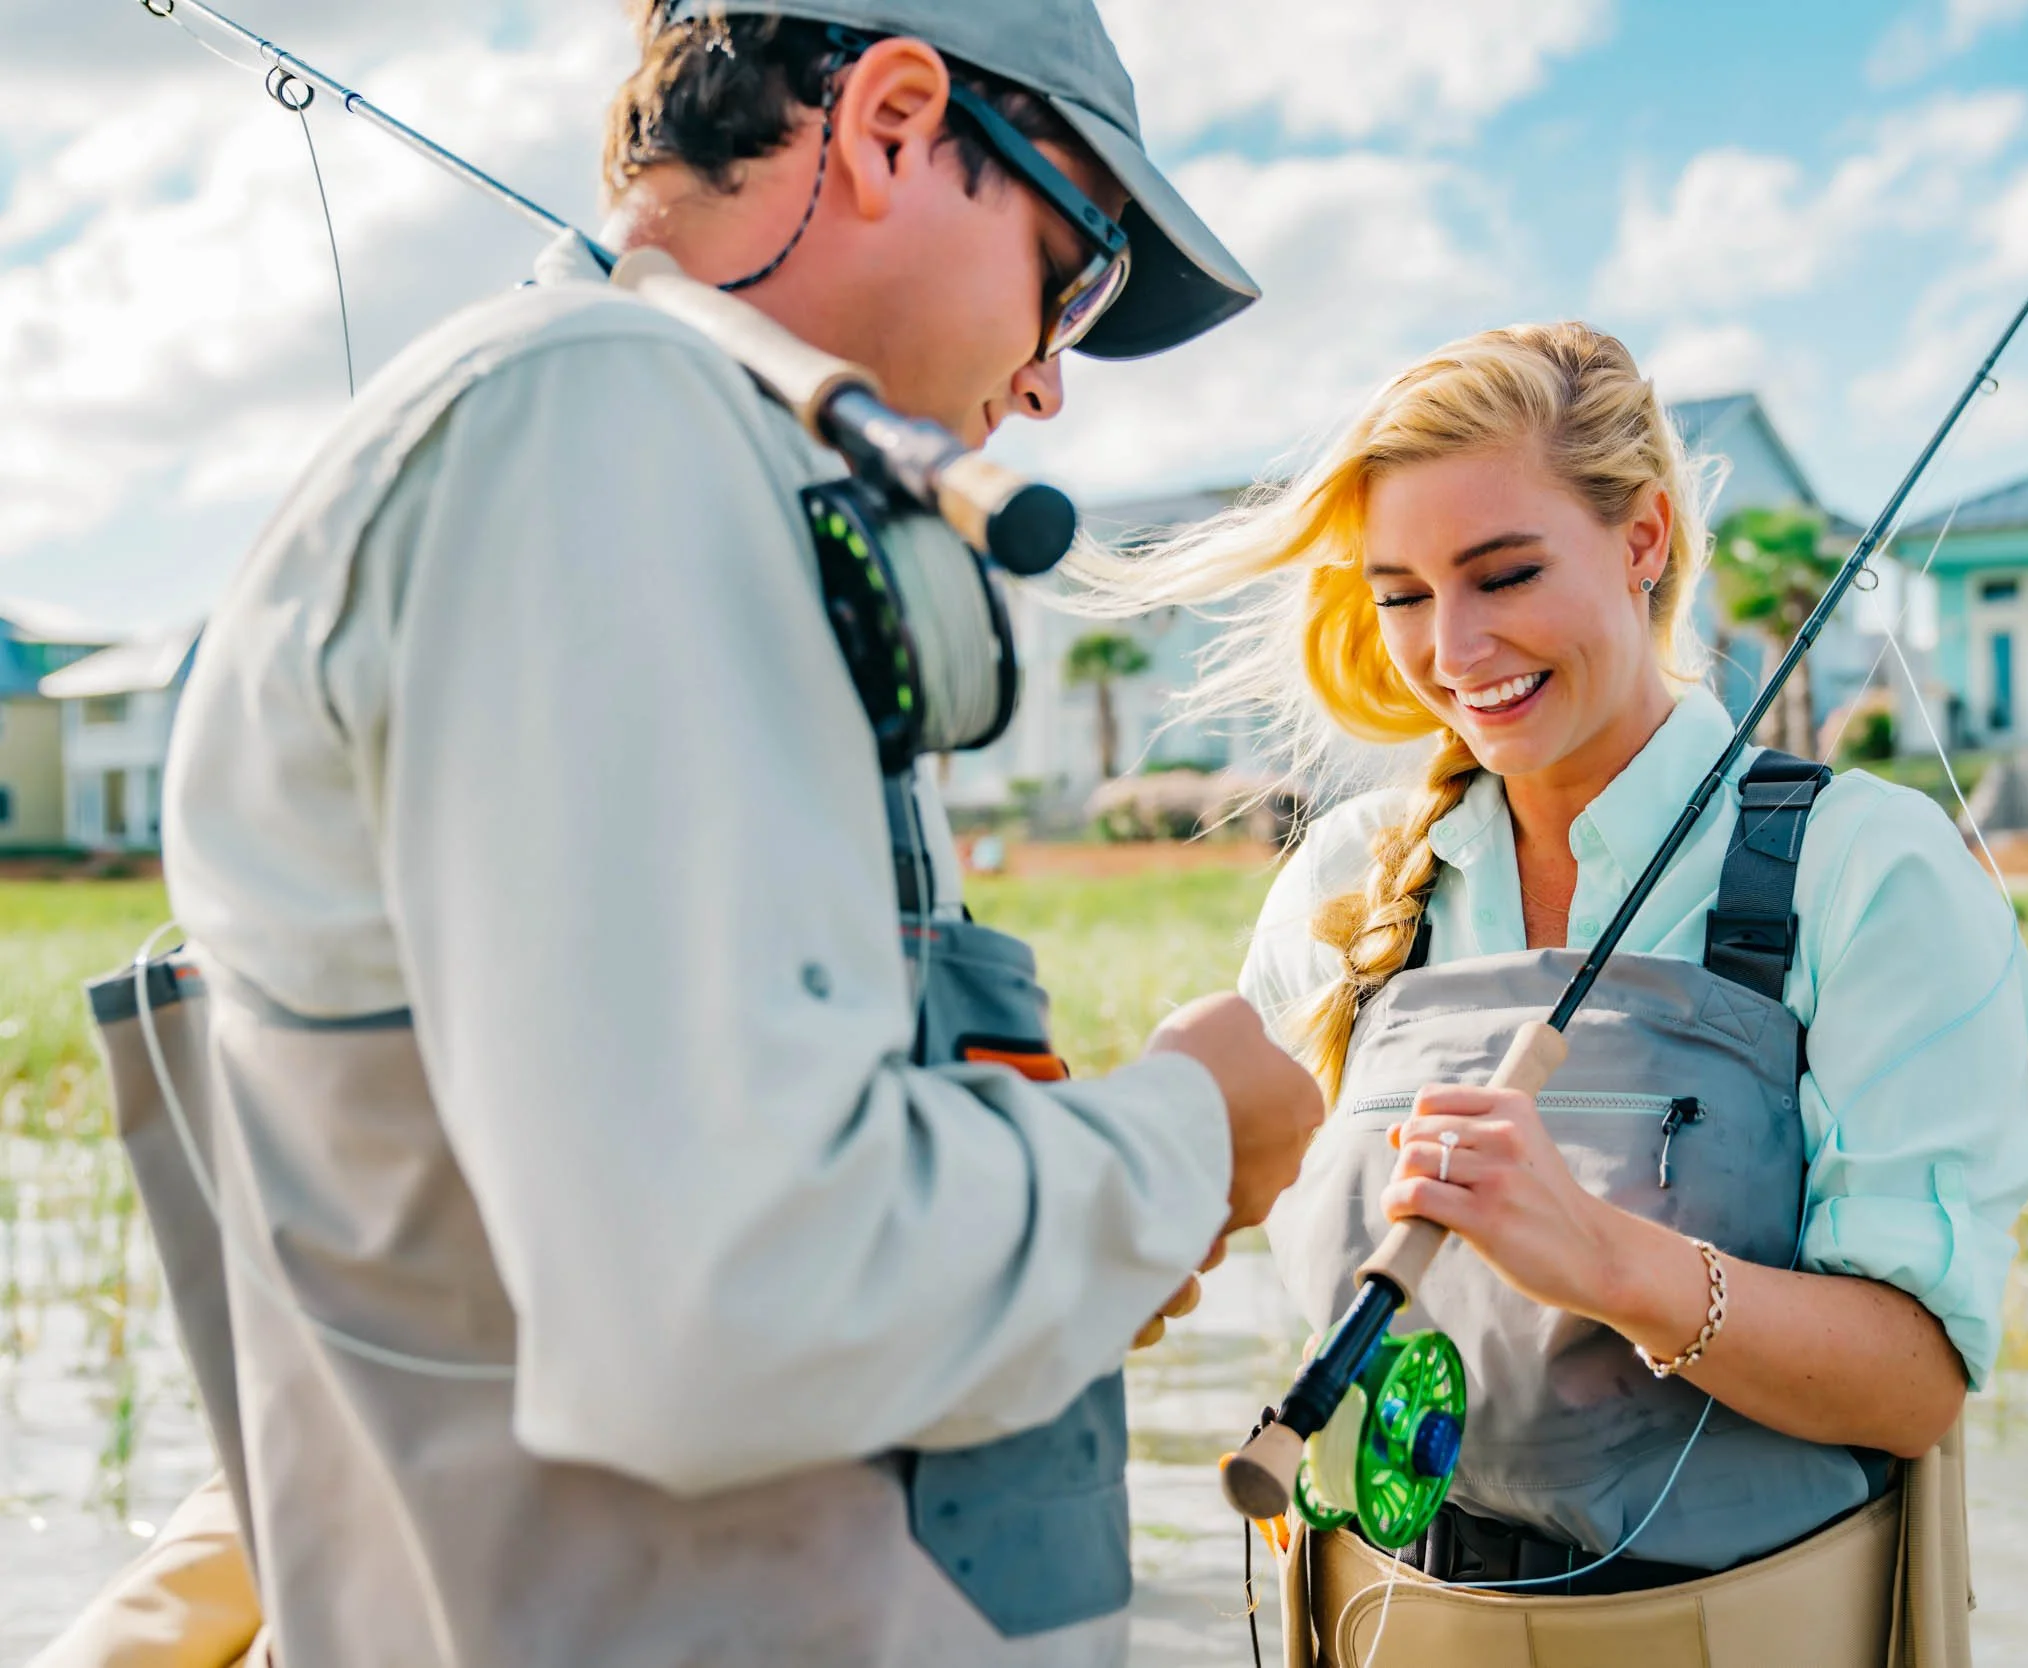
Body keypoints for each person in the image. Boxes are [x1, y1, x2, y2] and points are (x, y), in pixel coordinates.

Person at [41, 4, 1323, 1666]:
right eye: (1071, 271)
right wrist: (1181, 1142)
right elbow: (729, 1305)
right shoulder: (599, 415)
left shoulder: (693, 465)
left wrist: (1014, 1189)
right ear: (890, 120)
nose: (1050, 379)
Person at [1086, 323, 2028, 1666]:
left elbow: (1914, 1385)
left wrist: (1604, 1260)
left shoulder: (1869, 870)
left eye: (1505, 573)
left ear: (1644, 537)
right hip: (1380, 1618)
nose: (1454, 647)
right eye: (1404, 594)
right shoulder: (1350, 879)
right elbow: (1215, 1181)